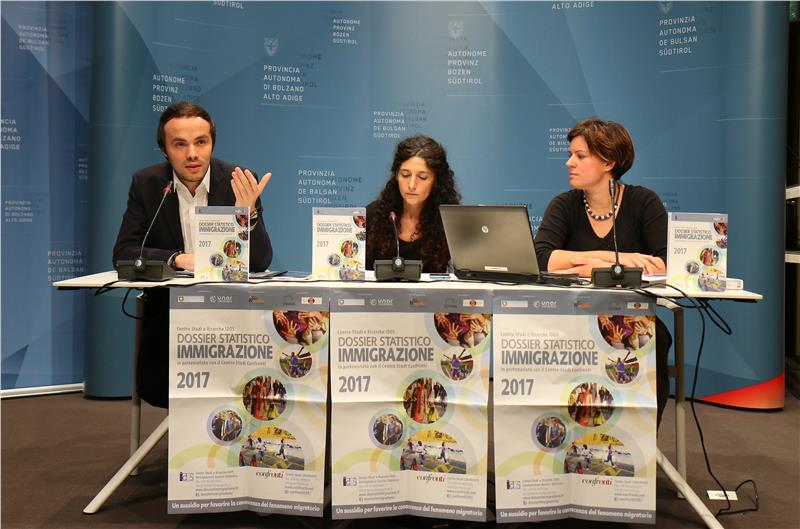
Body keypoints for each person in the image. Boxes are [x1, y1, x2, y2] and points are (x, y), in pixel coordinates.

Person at [112, 102, 273, 408]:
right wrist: (177, 258)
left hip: (233, 316)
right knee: (157, 386)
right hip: (171, 313)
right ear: (164, 149)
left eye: (201, 142)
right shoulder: (147, 184)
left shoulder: (238, 181)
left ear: (212, 143)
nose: (192, 154)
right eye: (179, 144)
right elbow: (125, 251)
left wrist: (249, 214)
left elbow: (260, 262)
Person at [534, 117, 671, 426]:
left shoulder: (643, 202)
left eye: (580, 156)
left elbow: (664, 263)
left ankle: (643, 439)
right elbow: (542, 257)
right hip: (571, 317)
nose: (569, 162)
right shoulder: (564, 205)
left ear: (609, 162)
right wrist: (612, 260)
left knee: (658, 339)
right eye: (571, 154)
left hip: (632, 318)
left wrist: (588, 266)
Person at [365, 135, 461, 273]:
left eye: (422, 177)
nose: (411, 185)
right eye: (405, 175)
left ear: (436, 180)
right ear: (396, 175)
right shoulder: (373, 215)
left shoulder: (449, 221)